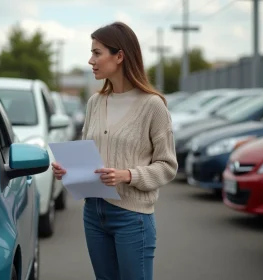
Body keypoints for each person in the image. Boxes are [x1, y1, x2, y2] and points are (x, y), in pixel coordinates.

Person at [51, 21, 178, 280]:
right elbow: (89, 154)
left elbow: (168, 165)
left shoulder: (153, 106)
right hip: (93, 213)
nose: (90, 60)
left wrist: (127, 175)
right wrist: (69, 171)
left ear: (119, 56)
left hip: (132, 217)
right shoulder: (95, 103)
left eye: (97, 53)